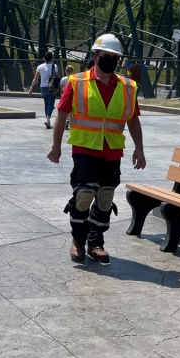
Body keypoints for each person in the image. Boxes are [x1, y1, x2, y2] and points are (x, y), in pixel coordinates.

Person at [48, 34, 146, 264]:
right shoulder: (77, 82)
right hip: (84, 148)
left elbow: (133, 119)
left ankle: (96, 242)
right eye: (106, 56)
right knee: (83, 196)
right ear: (95, 56)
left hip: (111, 150)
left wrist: (139, 149)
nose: (110, 60)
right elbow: (62, 116)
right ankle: (78, 241)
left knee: (104, 197)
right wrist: (56, 147)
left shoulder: (128, 87)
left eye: (114, 57)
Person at [27, 52, 61, 129]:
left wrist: (31, 88)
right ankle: (48, 119)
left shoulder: (40, 67)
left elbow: (35, 78)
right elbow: (56, 77)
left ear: (44, 59)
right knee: (51, 104)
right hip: (52, 87)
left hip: (43, 87)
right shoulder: (54, 66)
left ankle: (47, 120)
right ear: (52, 59)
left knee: (46, 104)